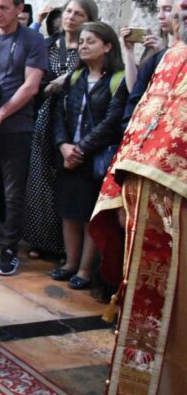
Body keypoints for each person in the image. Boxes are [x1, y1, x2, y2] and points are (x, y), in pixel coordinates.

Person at [89, 0, 187, 395]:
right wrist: (121, 187)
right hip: (151, 217)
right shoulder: (171, 60)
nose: (182, 2)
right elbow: (140, 131)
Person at [51, 21, 126, 290]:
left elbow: (112, 121)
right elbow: (59, 114)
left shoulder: (117, 80)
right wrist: (63, 145)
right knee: (69, 212)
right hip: (69, 155)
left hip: (93, 158)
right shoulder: (74, 78)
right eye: (81, 41)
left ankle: (84, 269)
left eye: (91, 41)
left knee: (88, 216)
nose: (83, 45)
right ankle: (70, 263)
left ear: (107, 46)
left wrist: (80, 148)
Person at [23, 0, 98, 260]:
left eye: (79, 14)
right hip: (45, 114)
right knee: (40, 178)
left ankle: (68, 249)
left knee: (65, 182)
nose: (71, 17)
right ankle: (41, 240)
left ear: (89, 19)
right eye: (68, 11)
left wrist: (67, 82)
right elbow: (35, 78)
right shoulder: (49, 45)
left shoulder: (91, 47)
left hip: (73, 118)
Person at [0, 0, 47, 276]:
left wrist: (1, 116)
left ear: (19, 9)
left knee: (12, 192)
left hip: (16, 126)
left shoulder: (32, 40)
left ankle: (9, 249)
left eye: (4, 7)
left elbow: (31, 86)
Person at [120, 0, 176, 92]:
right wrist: (129, 52)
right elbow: (134, 90)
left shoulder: (177, 50)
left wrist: (163, 54)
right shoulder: (153, 47)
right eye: (158, 10)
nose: (160, 16)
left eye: (168, 9)